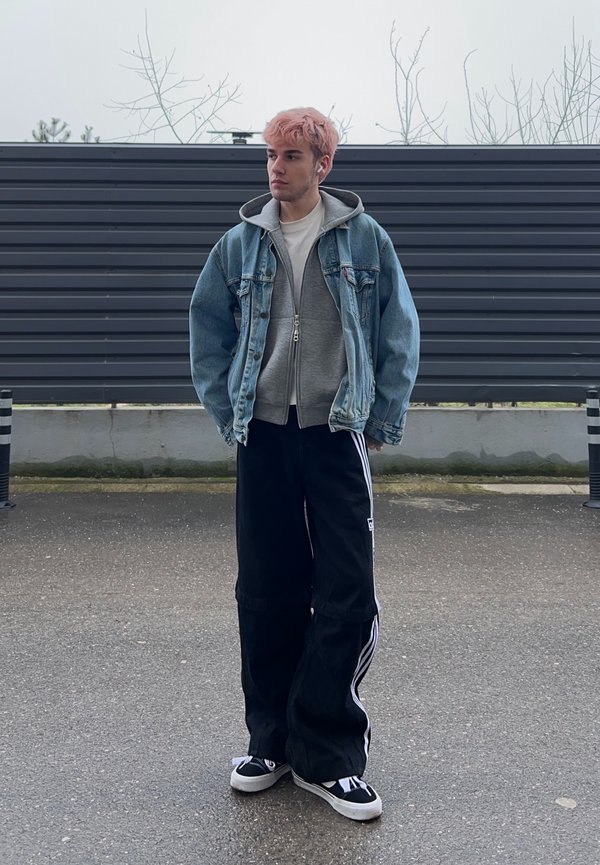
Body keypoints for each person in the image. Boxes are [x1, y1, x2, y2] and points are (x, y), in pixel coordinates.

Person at [189, 107, 419, 821]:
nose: (275, 167)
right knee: (265, 590)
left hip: (335, 431)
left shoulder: (364, 238)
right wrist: (228, 409)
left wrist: (379, 419)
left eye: (291, 156)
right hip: (263, 434)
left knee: (348, 592)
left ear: (323, 165)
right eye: (270, 154)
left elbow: (399, 330)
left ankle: (331, 755)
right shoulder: (239, 244)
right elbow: (207, 329)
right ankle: (272, 742)